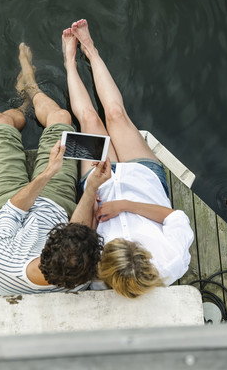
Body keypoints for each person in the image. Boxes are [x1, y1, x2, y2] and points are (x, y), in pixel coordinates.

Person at [62, 19, 194, 298]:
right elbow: (175, 217)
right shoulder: (172, 260)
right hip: (143, 175)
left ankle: (70, 62)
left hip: (99, 182)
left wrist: (95, 190)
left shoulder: (96, 275)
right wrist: (127, 205)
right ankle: (91, 49)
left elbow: (81, 231)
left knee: (89, 119)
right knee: (116, 114)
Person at [0, 42, 105, 295]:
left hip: (5, 206)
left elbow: (13, 210)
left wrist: (48, 172)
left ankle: (26, 100)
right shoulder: (81, 276)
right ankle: (32, 90)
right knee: (61, 119)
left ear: (44, 248)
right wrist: (91, 187)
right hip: (56, 203)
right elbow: (79, 231)